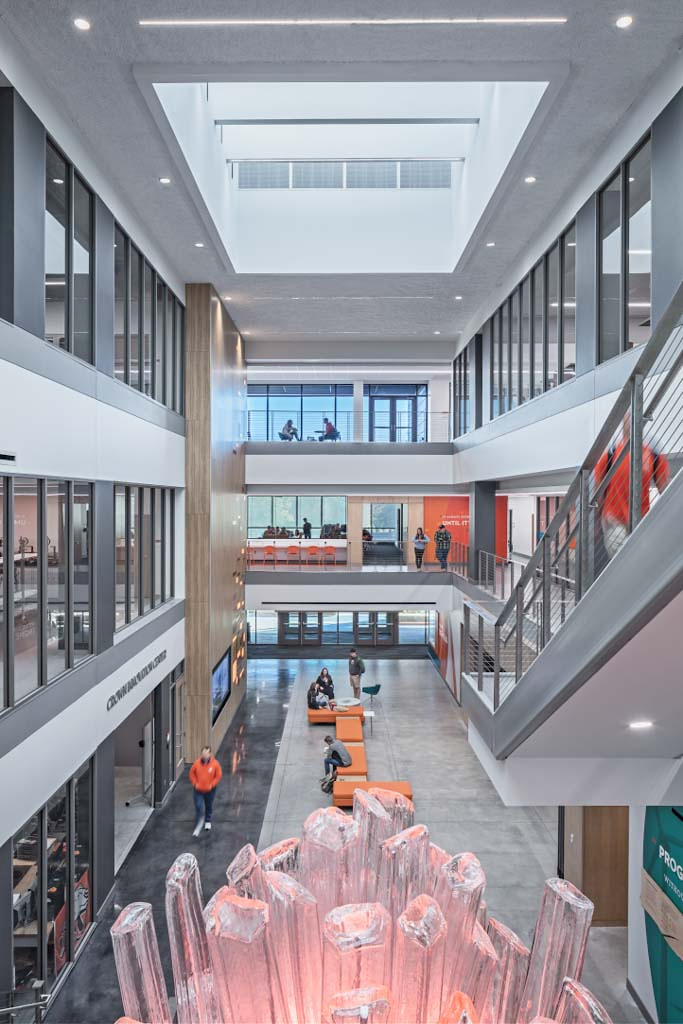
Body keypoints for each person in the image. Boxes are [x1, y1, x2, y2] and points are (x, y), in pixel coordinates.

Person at [594, 425, 670, 560]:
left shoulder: (652, 456)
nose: (630, 422)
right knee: (624, 562)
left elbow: (666, 490)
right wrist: (597, 523)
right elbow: (598, 493)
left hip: (641, 522)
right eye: (627, 418)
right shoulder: (609, 456)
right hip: (614, 521)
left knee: (638, 563)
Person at [189, 745, 223, 837]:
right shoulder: (196, 763)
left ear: (210, 754)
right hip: (198, 790)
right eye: (203, 753)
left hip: (210, 790)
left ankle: (207, 821)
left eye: (206, 753)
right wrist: (195, 783)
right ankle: (199, 822)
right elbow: (192, 774)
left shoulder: (215, 764)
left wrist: (212, 784)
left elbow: (218, 775)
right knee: (198, 806)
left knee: (208, 805)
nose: (204, 755)